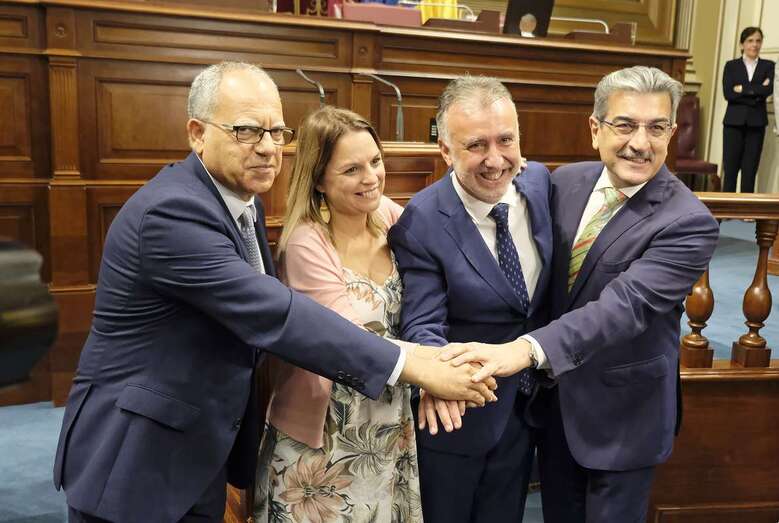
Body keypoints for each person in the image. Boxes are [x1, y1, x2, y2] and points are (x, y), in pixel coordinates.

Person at [52, 62, 496, 523]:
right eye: (246, 131)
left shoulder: (242, 203)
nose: (268, 148)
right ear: (197, 133)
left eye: (276, 131)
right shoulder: (172, 213)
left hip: (199, 449)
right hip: (136, 458)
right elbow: (278, 316)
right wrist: (415, 364)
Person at [440, 66, 720, 522]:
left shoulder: (688, 222)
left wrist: (526, 351)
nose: (641, 143)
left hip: (623, 421)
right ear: (595, 129)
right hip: (554, 411)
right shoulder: (561, 181)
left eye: (657, 127)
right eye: (625, 125)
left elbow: (622, 308)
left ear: (672, 132)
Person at [388, 76, 552, 523]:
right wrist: (438, 376)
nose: (496, 160)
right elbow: (422, 321)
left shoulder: (538, 184)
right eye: (477, 145)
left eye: (506, 140)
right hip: (462, 417)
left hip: (531, 408)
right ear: (446, 151)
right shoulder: (422, 220)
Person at [254, 106, 423, 522]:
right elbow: (354, 341)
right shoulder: (306, 243)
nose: (371, 178)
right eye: (351, 170)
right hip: (327, 437)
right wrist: (439, 369)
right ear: (318, 180)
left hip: (387, 422)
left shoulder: (387, 216)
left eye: (376, 162)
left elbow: (443, 248)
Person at [722, 26, 775, 193]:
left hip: (756, 124)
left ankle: (745, 216)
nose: (755, 44)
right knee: (730, 172)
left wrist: (742, 89)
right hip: (733, 124)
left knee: (750, 171)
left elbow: (768, 90)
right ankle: (725, 214)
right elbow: (728, 93)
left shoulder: (769, 66)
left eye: (758, 41)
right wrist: (756, 90)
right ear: (742, 44)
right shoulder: (731, 66)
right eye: (750, 40)